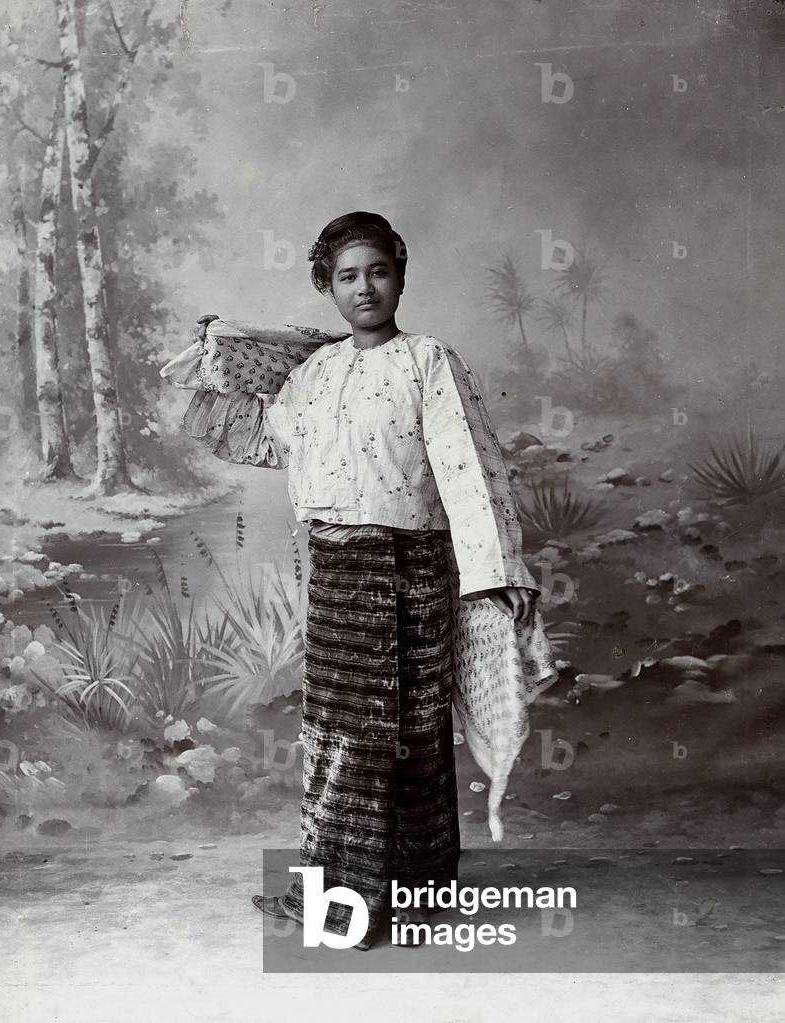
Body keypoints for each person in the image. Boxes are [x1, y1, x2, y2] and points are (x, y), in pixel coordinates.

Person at [170, 211, 541, 950]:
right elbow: (244, 430)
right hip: (336, 572)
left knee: (403, 728)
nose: (364, 287)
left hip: (408, 571)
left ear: (400, 274)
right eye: (346, 276)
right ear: (326, 287)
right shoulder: (314, 374)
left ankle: (406, 895)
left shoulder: (427, 361)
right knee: (339, 736)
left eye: (376, 271)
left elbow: (469, 471)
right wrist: (222, 347)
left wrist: (494, 576)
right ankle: (341, 896)